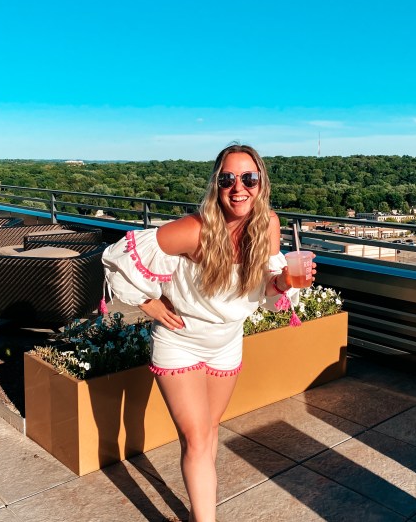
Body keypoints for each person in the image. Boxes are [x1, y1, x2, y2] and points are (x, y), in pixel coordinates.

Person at [102, 144, 315, 522]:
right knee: (197, 439)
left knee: (209, 431)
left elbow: (266, 291)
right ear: (216, 185)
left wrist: (284, 280)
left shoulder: (267, 224)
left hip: (227, 343)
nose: (239, 187)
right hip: (180, 343)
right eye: (228, 179)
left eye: (249, 178)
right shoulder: (194, 230)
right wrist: (149, 302)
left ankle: (201, 507)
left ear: (261, 183)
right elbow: (120, 256)